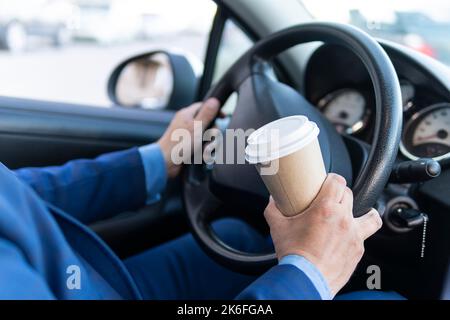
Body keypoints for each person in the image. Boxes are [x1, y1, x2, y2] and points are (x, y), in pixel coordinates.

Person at [0, 98, 403, 300]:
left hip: (80, 282)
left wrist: (158, 160)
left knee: (239, 238)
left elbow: (11, 193)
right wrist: (309, 275)